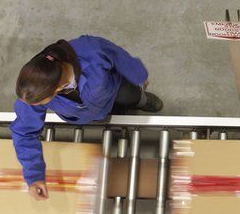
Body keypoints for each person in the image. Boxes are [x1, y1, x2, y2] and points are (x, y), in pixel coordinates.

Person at [10, 35, 162, 201]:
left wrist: (138, 74)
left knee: (131, 96)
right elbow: (25, 133)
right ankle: (119, 121)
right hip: (83, 113)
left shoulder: (90, 51)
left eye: (40, 102)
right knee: (107, 118)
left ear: (57, 88)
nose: (34, 105)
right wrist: (34, 176)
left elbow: (116, 55)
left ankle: (143, 100)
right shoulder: (34, 92)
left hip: (113, 91)